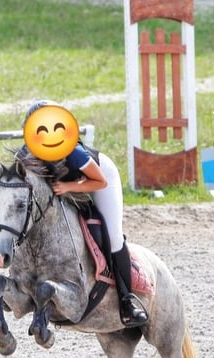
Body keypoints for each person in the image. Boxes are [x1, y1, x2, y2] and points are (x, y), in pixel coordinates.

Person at [22, 100, 148, 328]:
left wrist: (69, 188)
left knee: (114, 236)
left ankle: (127, 300)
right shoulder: (28, 150)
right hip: (65, 185)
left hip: (99, 178)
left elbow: (98, 181)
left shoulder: (73, 152)